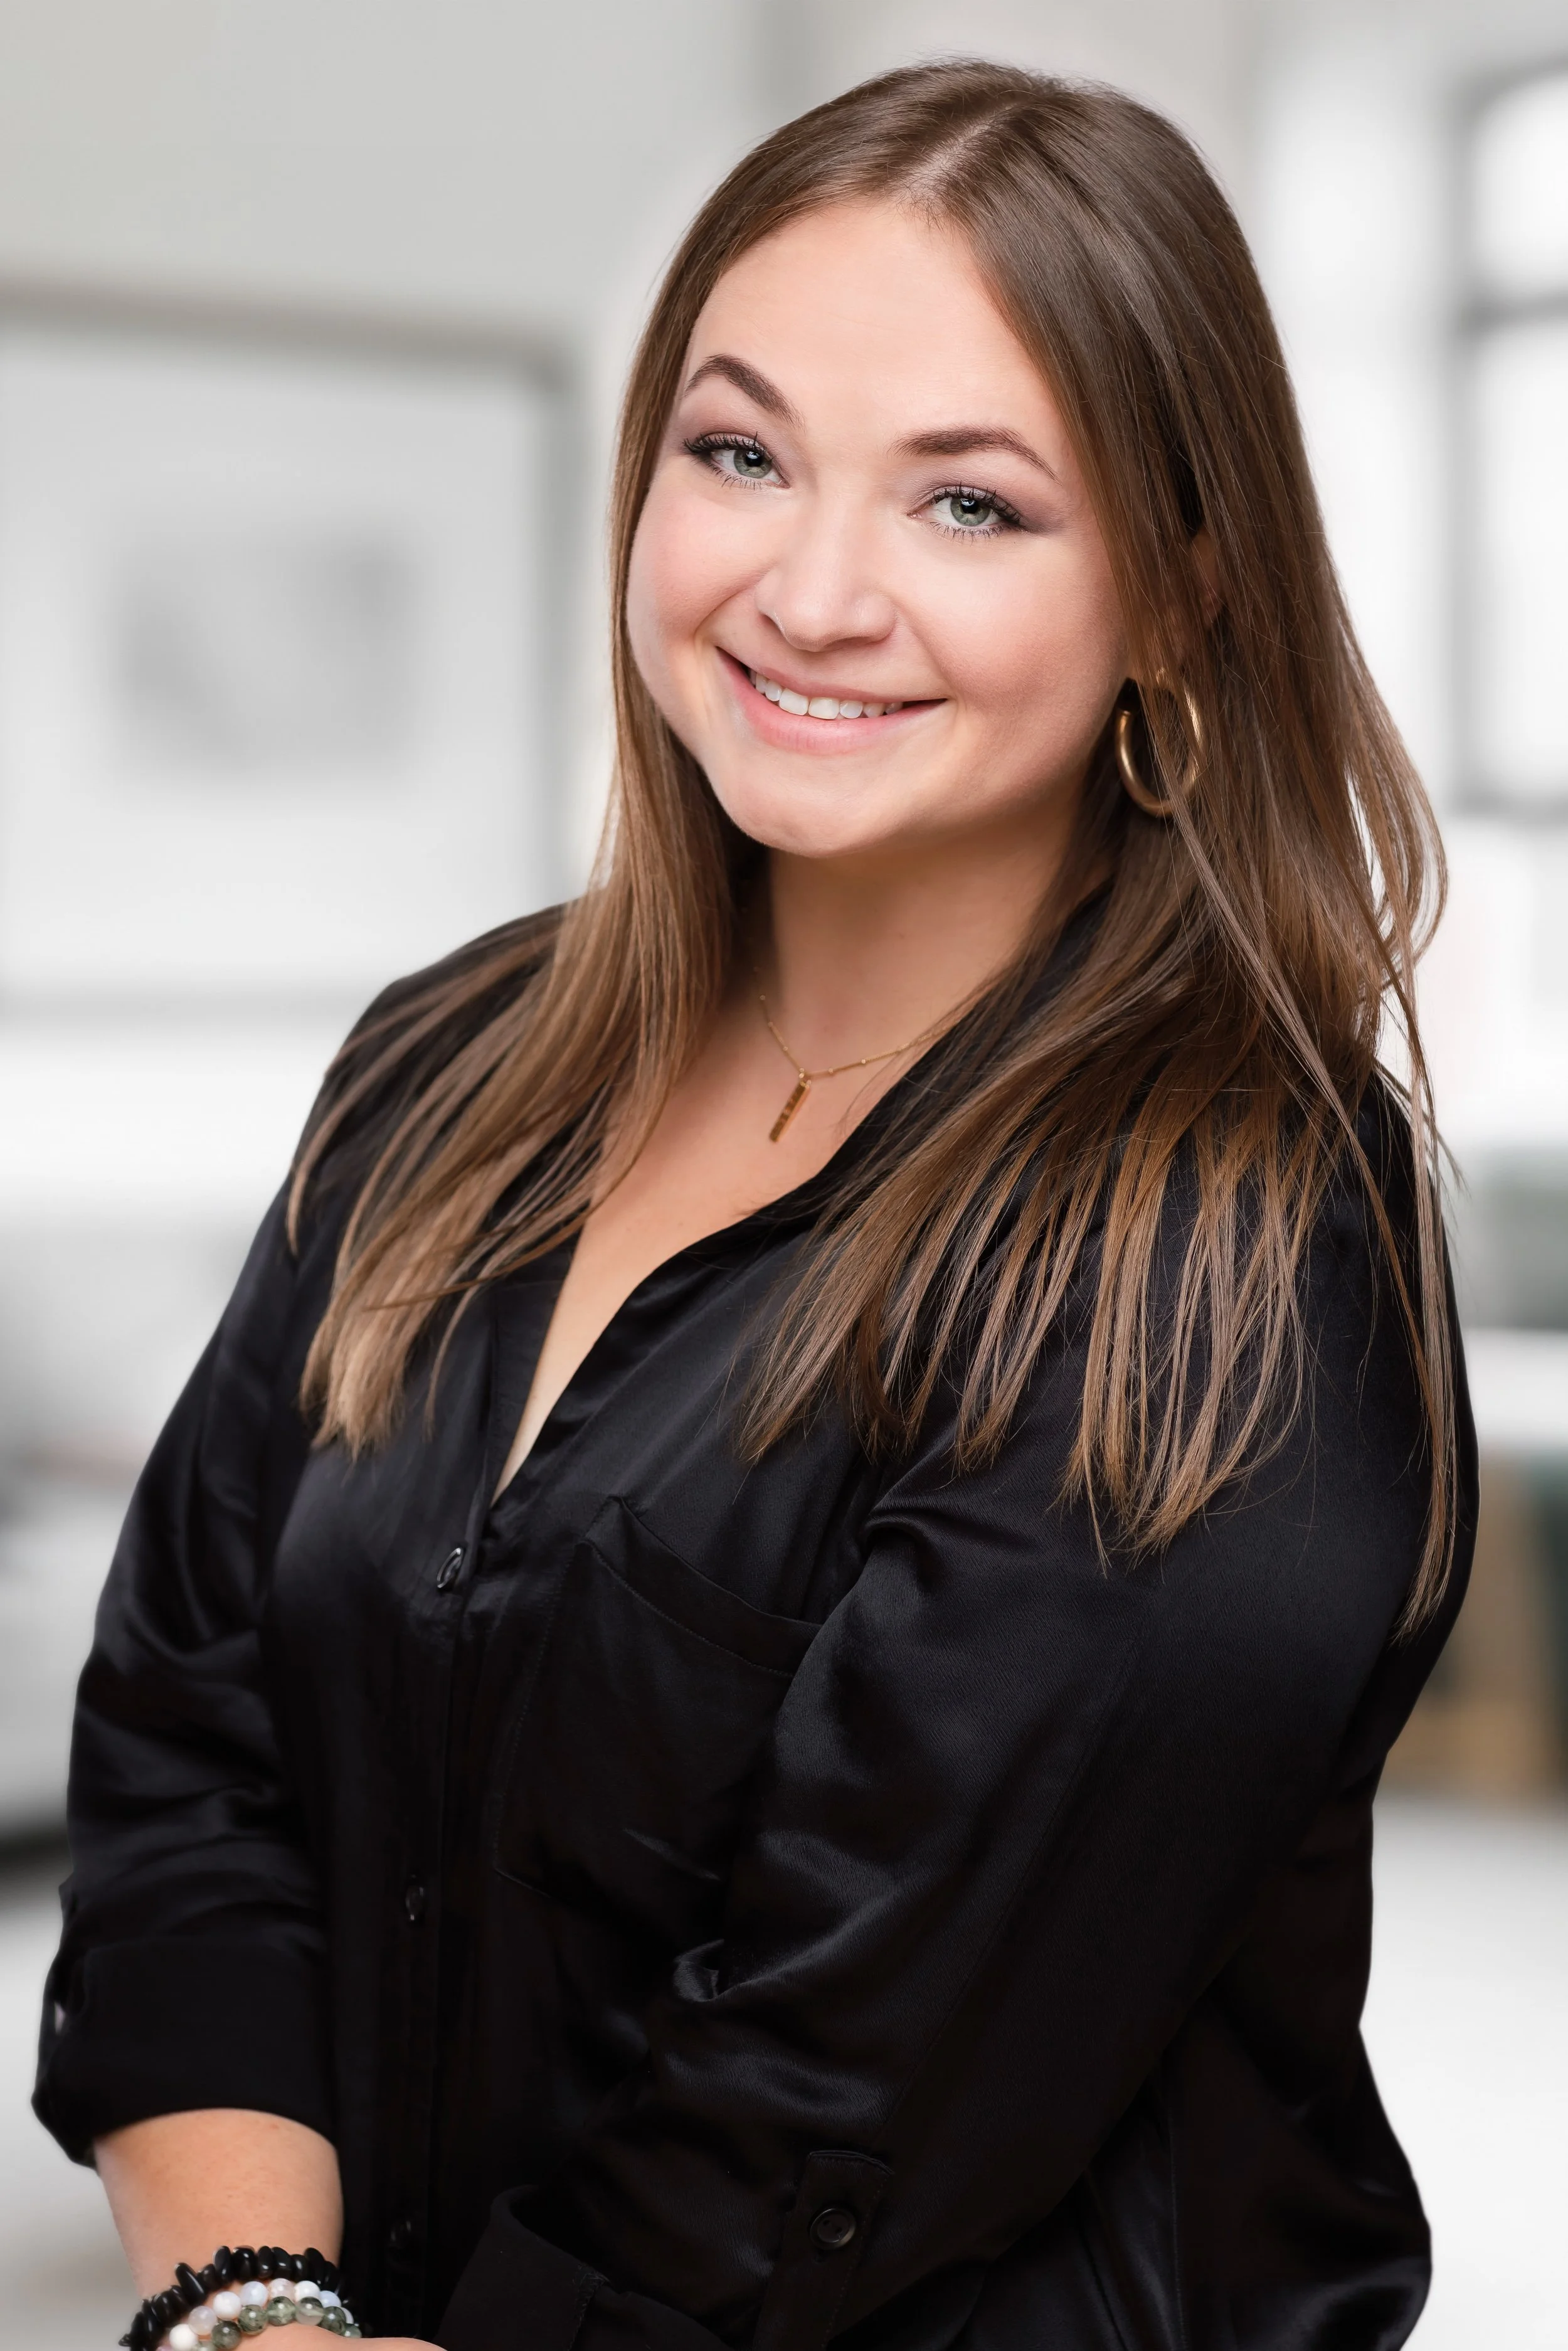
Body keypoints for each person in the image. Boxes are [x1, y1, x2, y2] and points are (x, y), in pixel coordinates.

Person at [36, 60, 1475, 2351]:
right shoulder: (446, 1063)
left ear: (1184, 601)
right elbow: (190, 1764)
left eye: (972, 505)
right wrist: (257, 2309)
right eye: (739, 453)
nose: (810, 591)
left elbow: (836, 2102)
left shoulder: (1230, 1234)